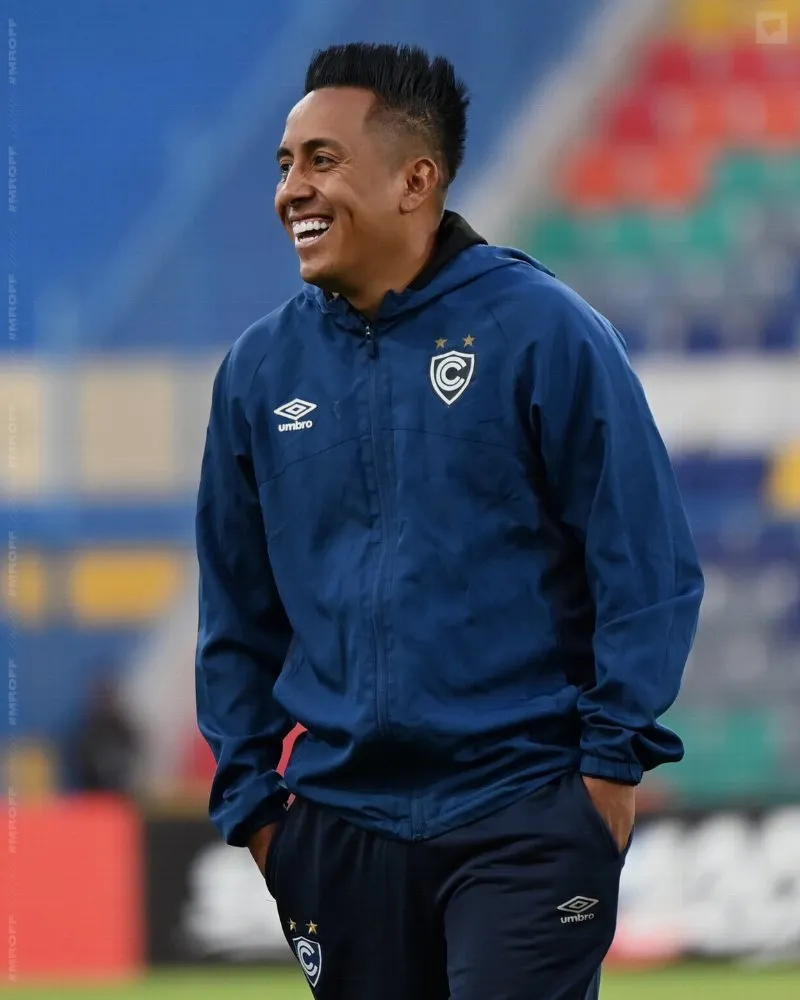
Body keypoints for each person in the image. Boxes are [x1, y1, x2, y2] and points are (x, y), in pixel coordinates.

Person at [195, 42, 704, 1000]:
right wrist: (261, 813)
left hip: (525, 812)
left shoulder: (546, 332)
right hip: (338, 831)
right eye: (284, 165)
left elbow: (647, 571)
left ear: (415, 179)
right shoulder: (258, 376)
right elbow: (235, 618)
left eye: (322, 161)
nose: (291, 191)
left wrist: (603, 778)